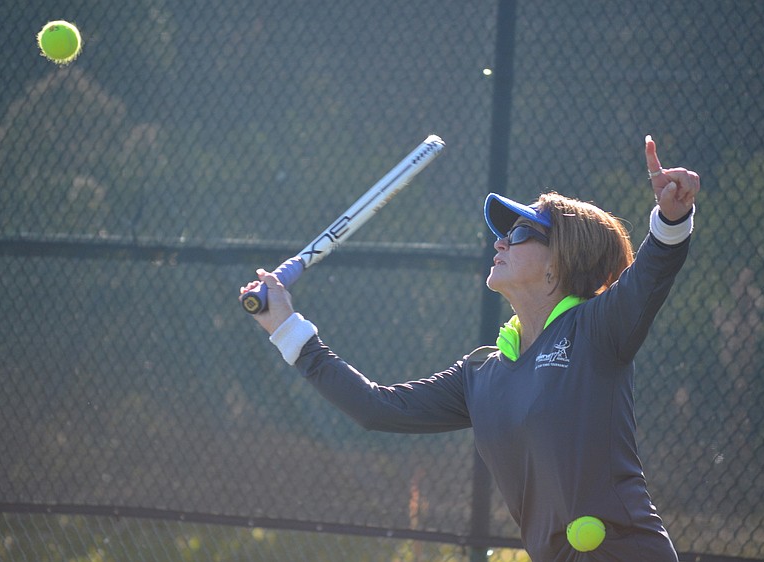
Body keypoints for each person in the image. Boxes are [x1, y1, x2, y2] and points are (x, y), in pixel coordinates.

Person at [241, 135, 699, 562]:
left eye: (520, 233)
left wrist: (672, 218)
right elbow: (376, 408)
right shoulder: (481, 373)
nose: (500, 241)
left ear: (559, 260)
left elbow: (651, 274)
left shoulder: (596, 329)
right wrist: (287, 329)